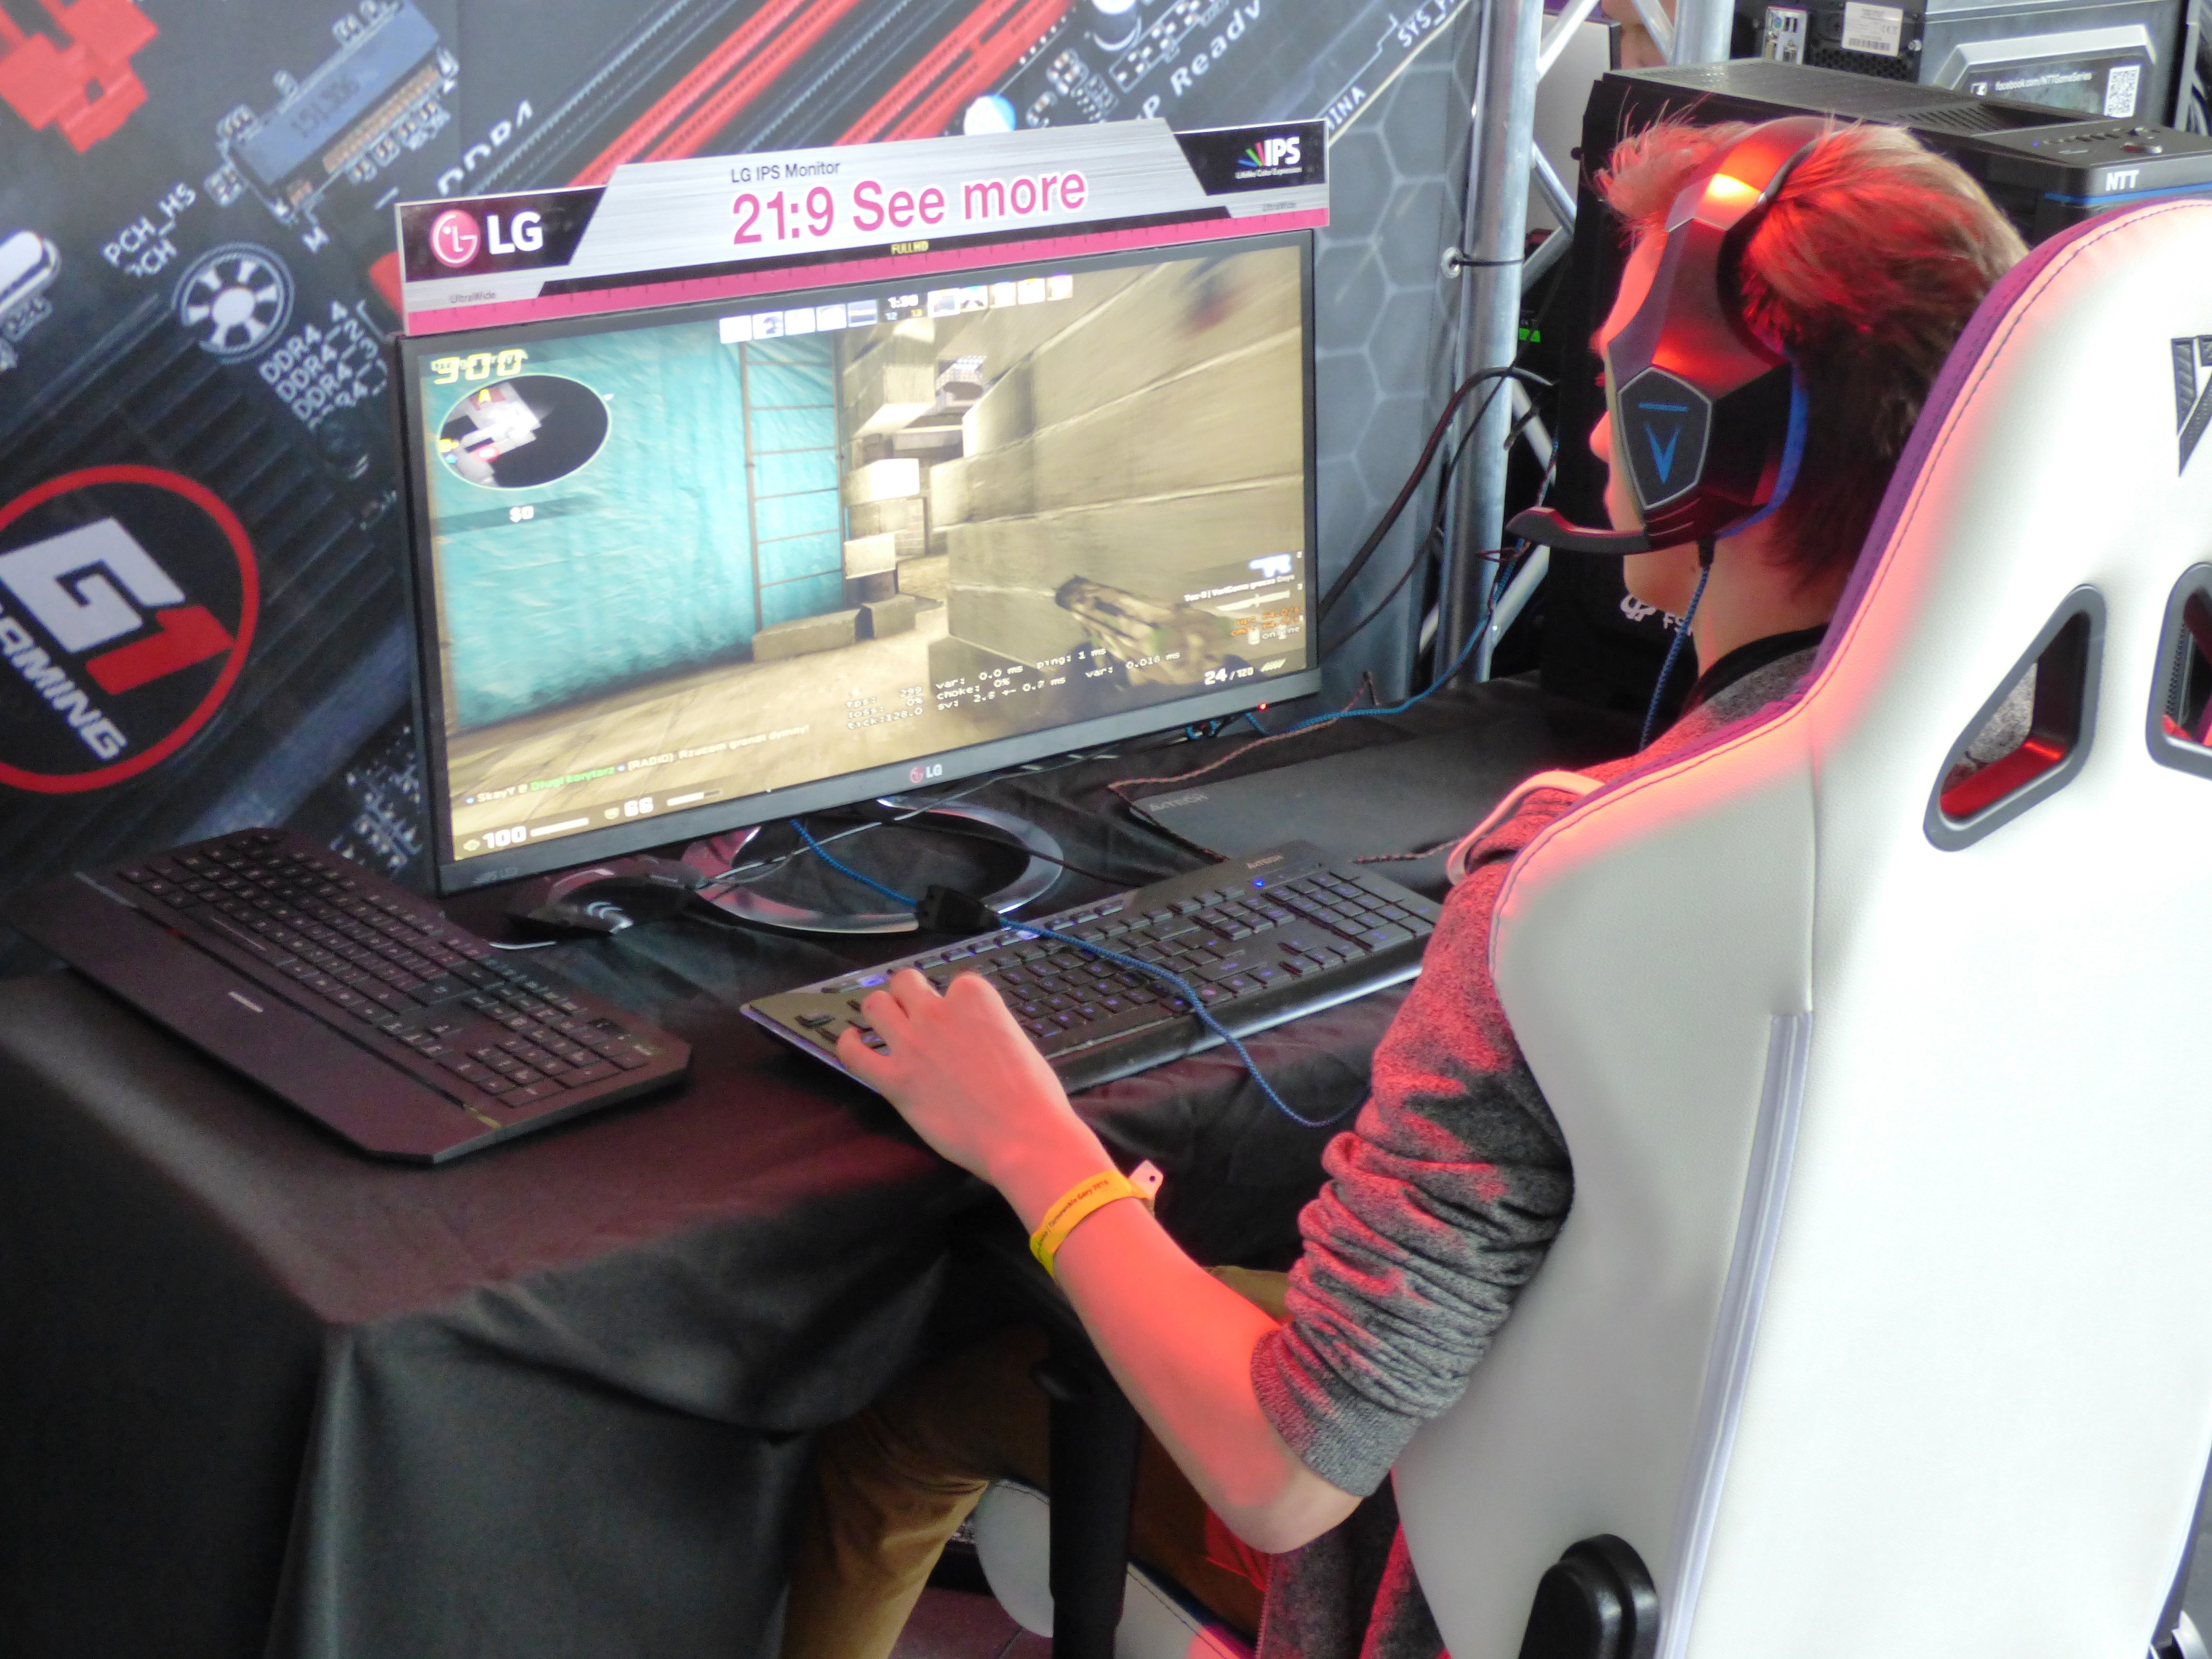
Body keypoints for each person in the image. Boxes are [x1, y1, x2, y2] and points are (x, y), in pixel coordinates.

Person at [778, 117, 2028, 1659]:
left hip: (1490, 1596)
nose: (1591, 441)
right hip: (1867, 1577)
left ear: (1705, 445)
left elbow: (1282, 1467)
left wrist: (1030, 1144)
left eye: (1620, 399)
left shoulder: (1589, 890)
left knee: (921, 1398)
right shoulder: (2072, 800)